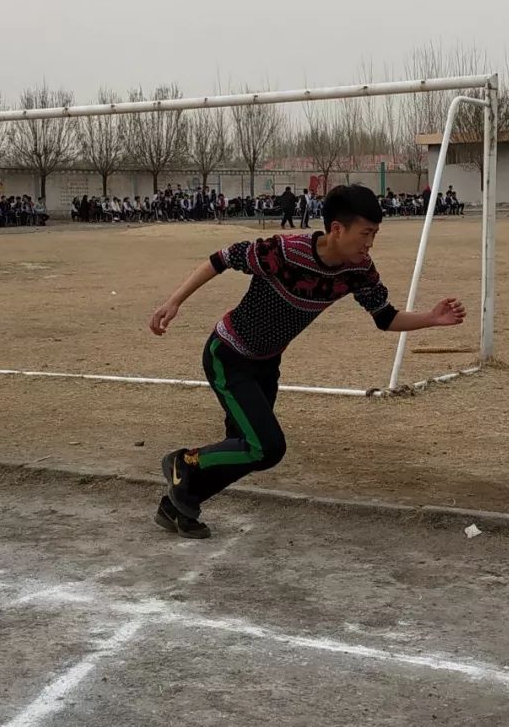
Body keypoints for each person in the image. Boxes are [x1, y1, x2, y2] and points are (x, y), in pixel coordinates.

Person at [148, 185, 467, 538]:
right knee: (265, 447)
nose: (370, 244)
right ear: (337, 230)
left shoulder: (358, 270)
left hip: (267, 365)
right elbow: (219, 259)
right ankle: (183, 462)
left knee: (245, 450)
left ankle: (174, 507)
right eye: (365, 234)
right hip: (228, 355)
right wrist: (174, 302)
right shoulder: (283, 251)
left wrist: (432, 319)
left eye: (375, 234)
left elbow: (385, 318)